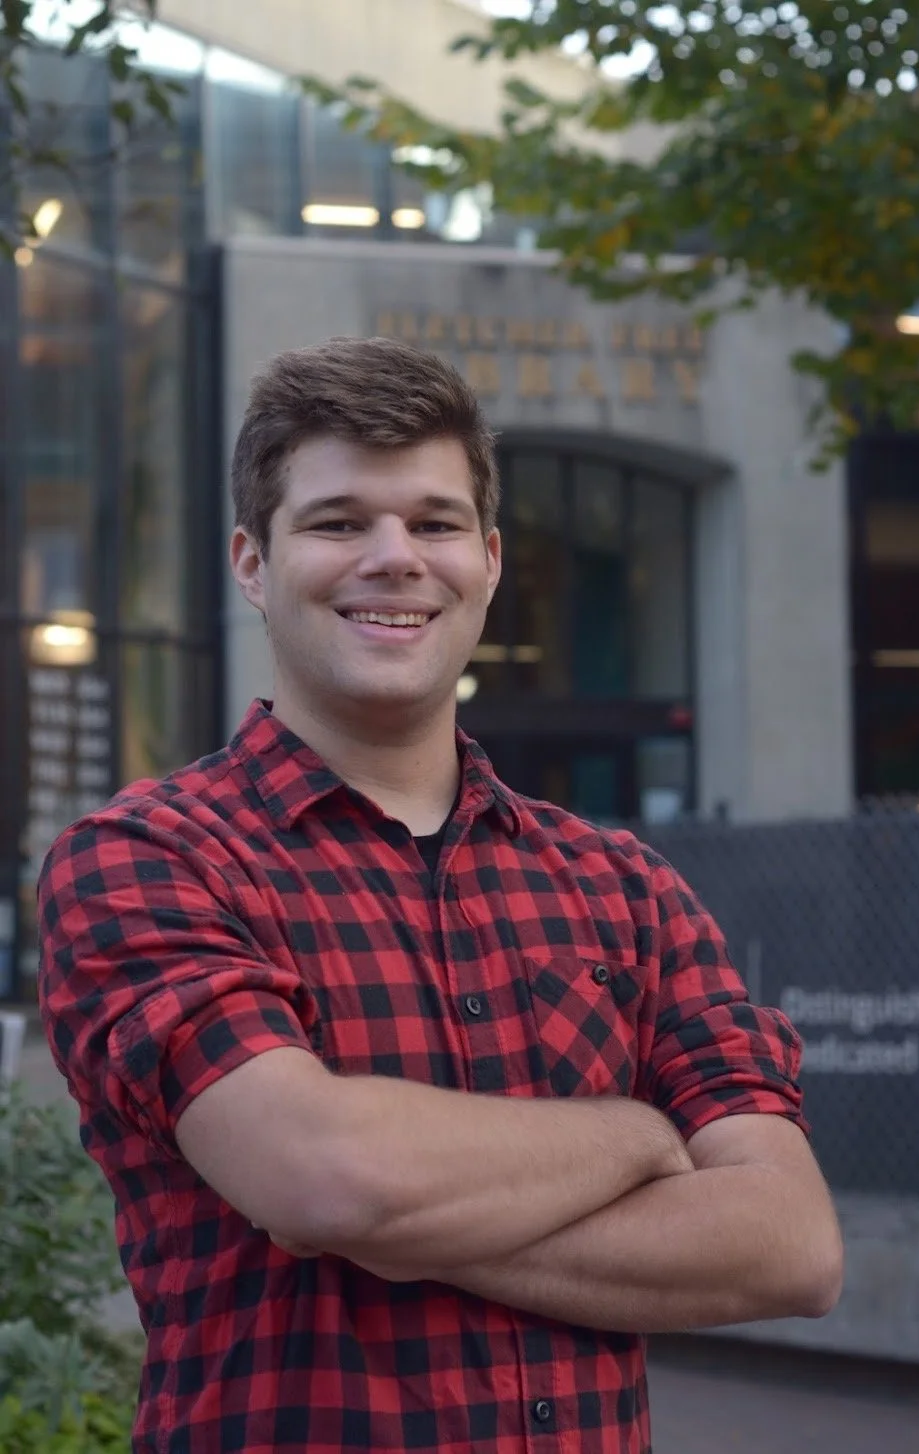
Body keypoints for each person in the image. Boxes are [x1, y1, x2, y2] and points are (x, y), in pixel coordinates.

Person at [38, 336, 842, 1454]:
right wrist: (641, 1132)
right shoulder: (148, 860)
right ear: (252, 563)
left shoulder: (626, 889)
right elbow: (325, 1177)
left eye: (433, 521)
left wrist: (400, 1213)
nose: (393, 557)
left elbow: (789, 1244)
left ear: (490, 558)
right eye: (336, 521)